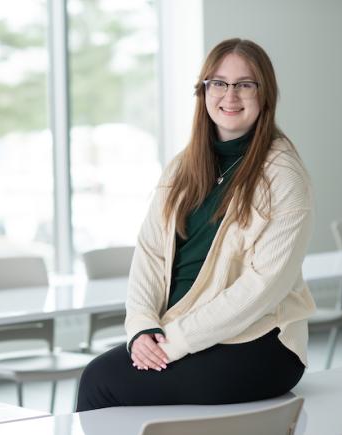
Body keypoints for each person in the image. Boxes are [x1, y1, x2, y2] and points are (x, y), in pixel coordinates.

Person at [76, 38, 316, 411]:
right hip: (180, 331)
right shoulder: (184, 166)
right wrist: (142, 327)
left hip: (260, 343)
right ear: (203, 91)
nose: (230, 95)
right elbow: (151, 254)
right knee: (105, 377)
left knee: (101, 381)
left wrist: (172, 344)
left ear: (264, 93)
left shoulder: (284, 176)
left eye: (245, 84)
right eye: (218, 83)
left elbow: (262, 288)